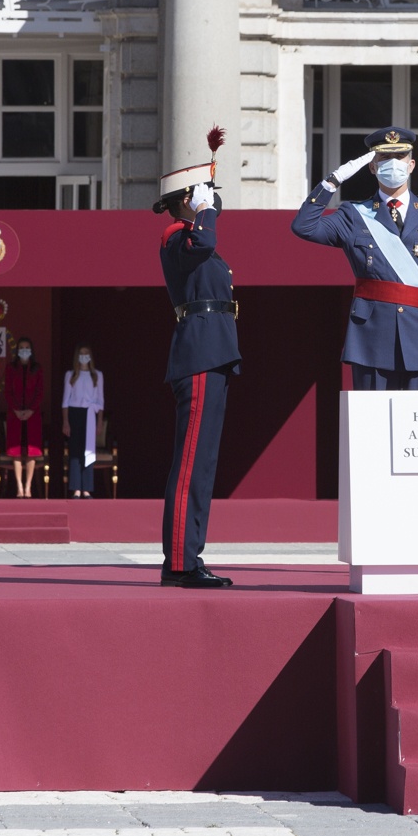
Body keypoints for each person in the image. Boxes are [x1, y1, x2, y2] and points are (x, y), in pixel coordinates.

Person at [291, 127, 418, 390]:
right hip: (372, 336)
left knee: (417, 425)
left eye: (400, 158)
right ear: (372, 168)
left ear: (412, 165)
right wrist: (332, 181)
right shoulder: (354, 214)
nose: (393, 165)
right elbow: (303, 227)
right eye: (385, 160)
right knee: (372, 425)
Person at [155, 145, 240, 588]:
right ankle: (179, 564)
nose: (212, 200)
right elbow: (203, 240)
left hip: (215, 352)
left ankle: (190, 556)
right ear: (187, 199)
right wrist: (204, 212)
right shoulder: (177, 236)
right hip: (200, 354)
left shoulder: (194, 235)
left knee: (202, 464)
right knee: (190, 463)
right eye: (204, 194)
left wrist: (207, 207)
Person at [2, 338, 44, 498]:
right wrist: (17, 410)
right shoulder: (11, 368)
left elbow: (40, 392)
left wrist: (31, 410)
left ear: (31, 350)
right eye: (21, 347)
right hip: (15, 415)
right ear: (17, 350)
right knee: (17, 451)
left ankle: (28, 487)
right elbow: (8, 392)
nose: (24, 350)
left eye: (27, 347)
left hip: (33, 415)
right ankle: (19, 487)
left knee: (31, 452)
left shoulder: (37, 368)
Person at [62, 344, 105, 499]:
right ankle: (76, 489)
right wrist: (66, 421)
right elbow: (65, 401)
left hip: (90, 414)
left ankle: (86, 489)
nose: (84, 356)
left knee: (88, 451)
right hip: (74, 414)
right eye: (81, 353)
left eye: (87, 353)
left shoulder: (97, 375)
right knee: (75, 451)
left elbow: (100, 400)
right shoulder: (71, 374)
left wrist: (99, 421)